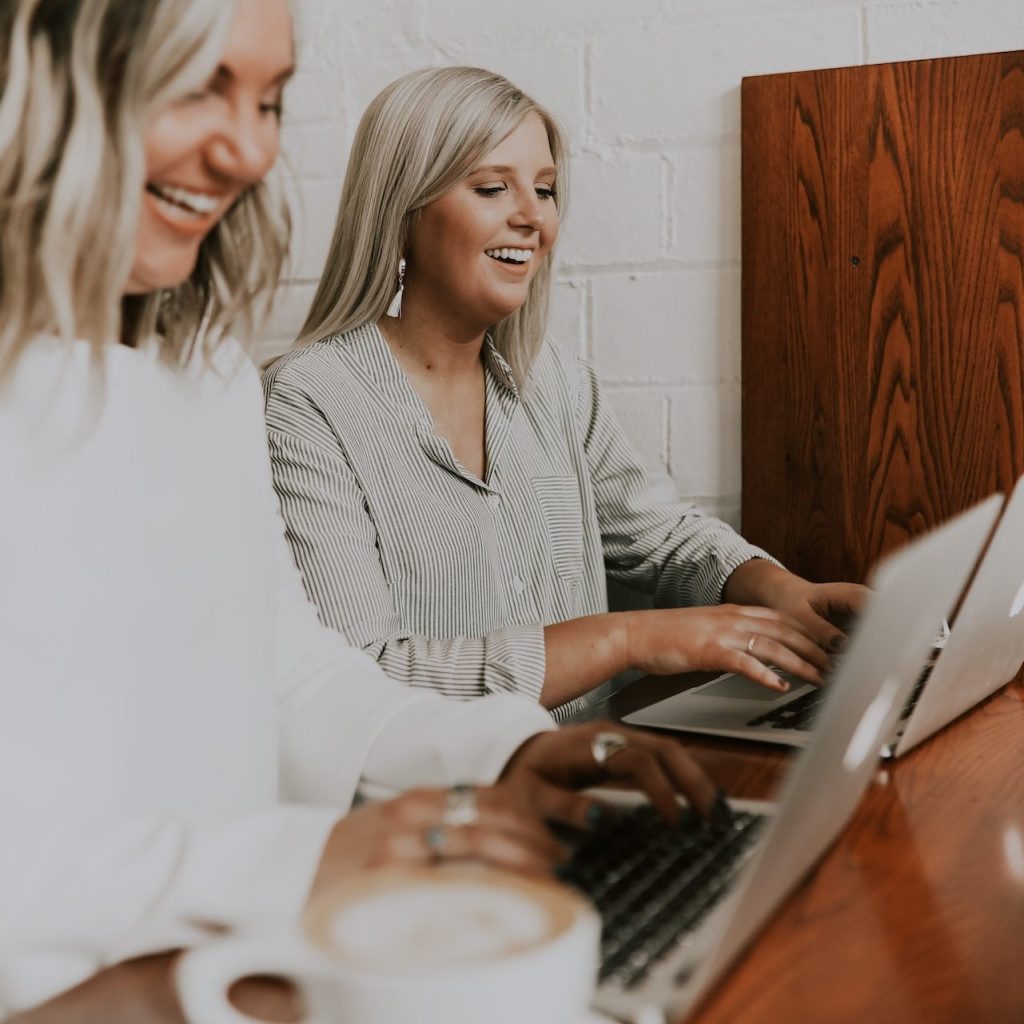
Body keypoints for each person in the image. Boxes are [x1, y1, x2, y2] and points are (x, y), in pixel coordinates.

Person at [0, 4, 718, 1013]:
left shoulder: (206, 381)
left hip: (239, 968)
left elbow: (297, 673)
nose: (247, 151)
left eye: (270, 102)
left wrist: (505, 749)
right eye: (199, 86)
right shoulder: (294, 396)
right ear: (49, 73)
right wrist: (303, 860)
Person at [262, 66, 868, 718]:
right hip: (450, 782)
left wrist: (782, 591)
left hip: (593, 764)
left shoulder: (553, 381)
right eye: (492, 188)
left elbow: (661, 536)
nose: (533, 217)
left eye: (545, 190)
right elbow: (363, 679)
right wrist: (627, 639)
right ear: (402, 210)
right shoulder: (306, 402)